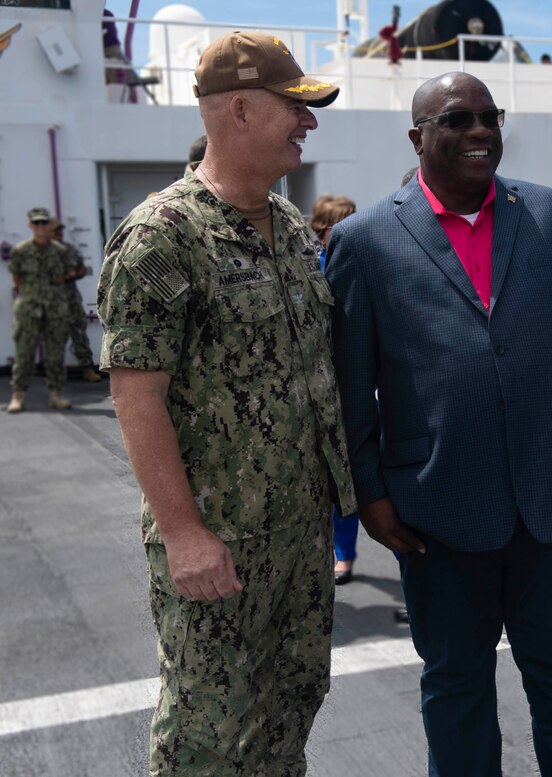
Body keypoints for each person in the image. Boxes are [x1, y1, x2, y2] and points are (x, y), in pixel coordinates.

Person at [326, 72, 552, 776]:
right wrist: (368, 494)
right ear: (418, 136)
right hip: (436, 513)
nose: (479, 131)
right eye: (457, 119)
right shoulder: (363, 240)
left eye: (489, 117)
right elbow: (350, 387)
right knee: (455, 687)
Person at [96, 32, 356, 776]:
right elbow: (135, 393)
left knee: (289, 711)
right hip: (222, 541)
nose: (308, 124)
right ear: (240, 110)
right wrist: (183, 534)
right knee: (207, 734)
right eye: (295, 109)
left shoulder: (291, 229)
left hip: (300, 534)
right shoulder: (161, 236)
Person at [310, 193, 361, 584]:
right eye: (342, 224)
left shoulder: (366, 262)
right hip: (326, 390)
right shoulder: (309, 268)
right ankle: (343, 555)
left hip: (364, 386)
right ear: (324, 230)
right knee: (339, 483)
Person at [6, 207, 74, 413]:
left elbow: (67, 274)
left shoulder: (60, 251)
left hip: (55, 308)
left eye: (44, 223)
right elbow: (16, 278)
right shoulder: (21, 250)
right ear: (30, 225)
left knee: (55, 353)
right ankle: (18, 395)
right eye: (36, 223)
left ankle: (56, 395)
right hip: (29, 308)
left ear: (49, 225)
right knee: (24, 353)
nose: (41, 227)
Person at [52, 221, 103, 383]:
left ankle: (87, 369)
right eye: (55, 230)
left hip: (72, 299)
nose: (59, 233)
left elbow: (82, 270)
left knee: (79, 333)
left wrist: (74, 275)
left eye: (60, 230)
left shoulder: (71, 250)